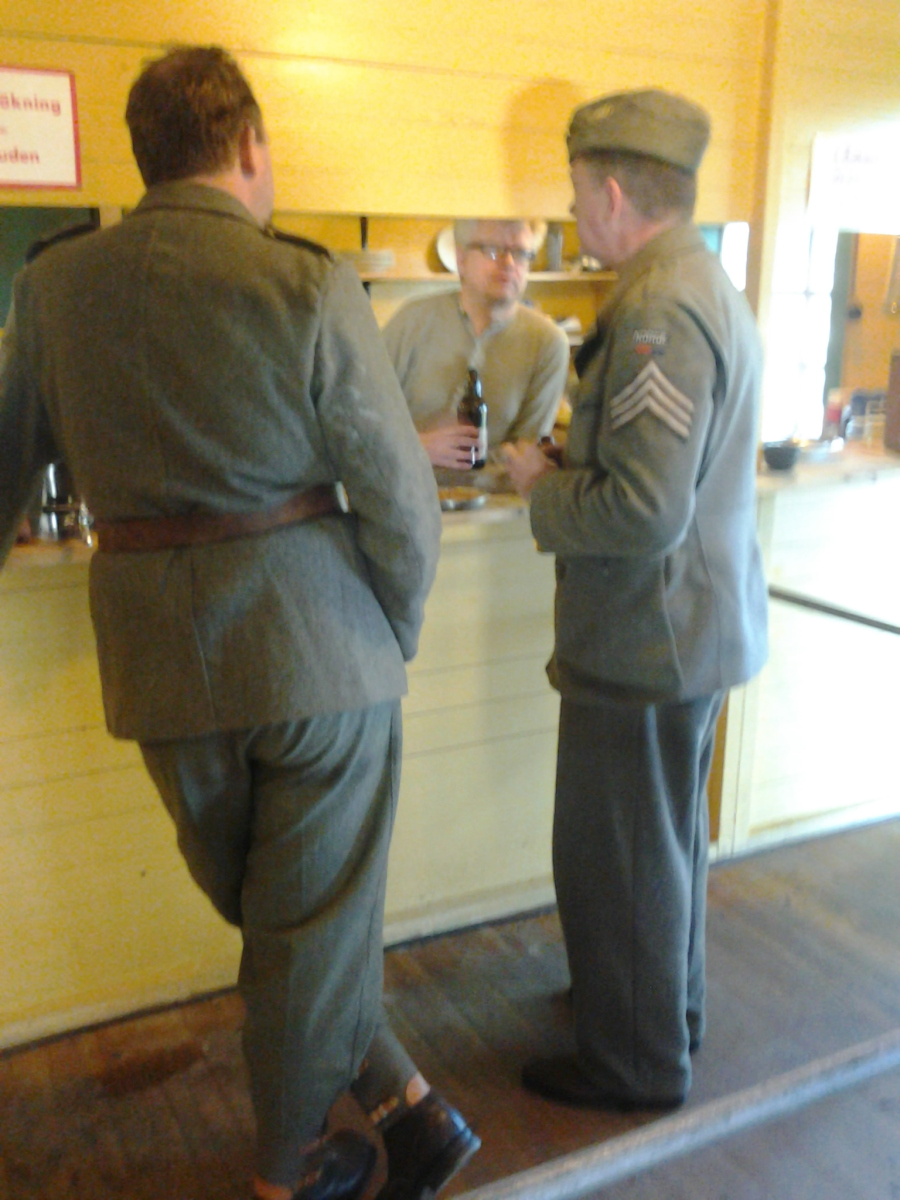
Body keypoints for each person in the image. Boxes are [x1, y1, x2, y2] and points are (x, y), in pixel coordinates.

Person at [0, 45, 479, 1200]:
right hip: (322, 655)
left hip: (161, 671)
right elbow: (401, 496)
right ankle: (288, 1176)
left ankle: (411, 1111)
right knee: (301, 927)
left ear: (144, 155)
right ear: (252, 147)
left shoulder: (53, 288)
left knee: (283, 922)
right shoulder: (305, 281)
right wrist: (391, 632)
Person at [502, 88, 769, 1109]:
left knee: (619, 856)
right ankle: (665, 1018)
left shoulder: (657, 309)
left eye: (578, 194)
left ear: (613, 194)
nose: (574, 213)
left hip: (646, 638)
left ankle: (633, 1064)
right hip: (686, 629)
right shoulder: (700, 280)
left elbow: (646, 509)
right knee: (662, 847)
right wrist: (582, 461)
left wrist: (542, 486)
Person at [383, 219, 570, 472]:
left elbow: (527, 452)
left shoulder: (549, 342)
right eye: (492, 250)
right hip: (408, 484)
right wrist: (417, 447)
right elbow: (365, 419)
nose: (509, 263)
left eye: (521, 253)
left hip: (496, 493)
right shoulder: (411, 321)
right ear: (461, 259)